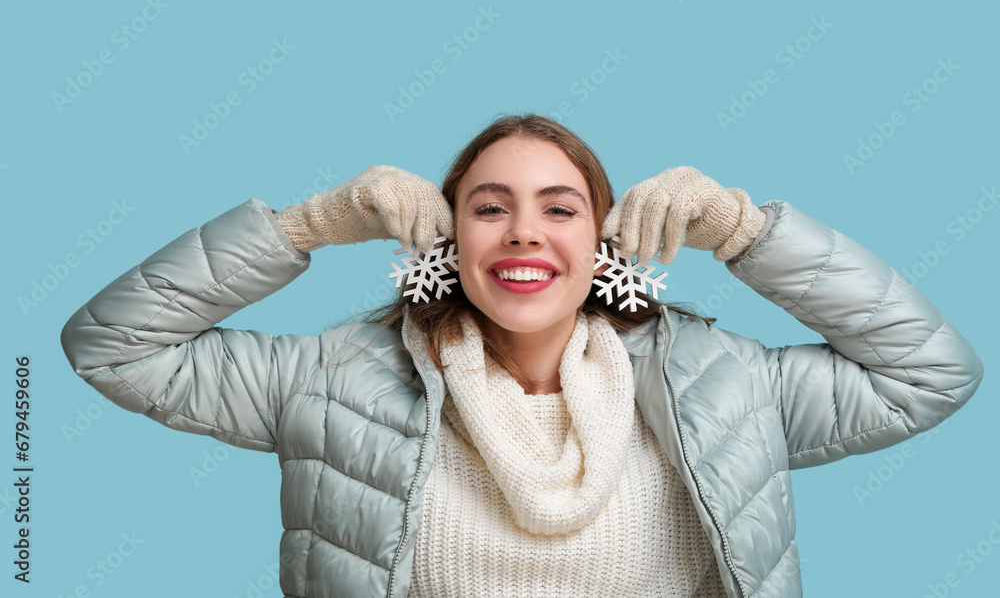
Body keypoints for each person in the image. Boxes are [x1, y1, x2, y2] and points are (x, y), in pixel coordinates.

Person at [60, 113, 983, 598]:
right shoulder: (334, 381)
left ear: (607, 242)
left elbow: (929, 372)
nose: (523, 232)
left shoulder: (725, 386)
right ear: (446, 238)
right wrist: (308, 223)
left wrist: (747, 232)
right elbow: (113, 346)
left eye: (560, 205)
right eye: (490, 206)